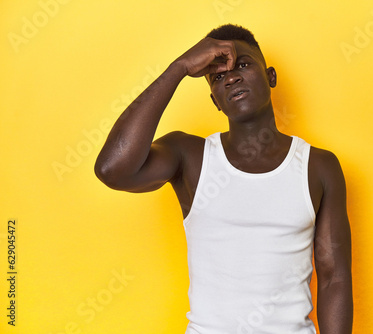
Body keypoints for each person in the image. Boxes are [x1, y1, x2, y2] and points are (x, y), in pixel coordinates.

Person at [95, 24, 353, 334]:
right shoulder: (189, 156)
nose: (230, 76)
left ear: (271, 77)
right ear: (215, 100)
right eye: (218, 76)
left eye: (243, 64)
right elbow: (112, 168)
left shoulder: (318, 167)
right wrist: (178, 68)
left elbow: (333, 276)